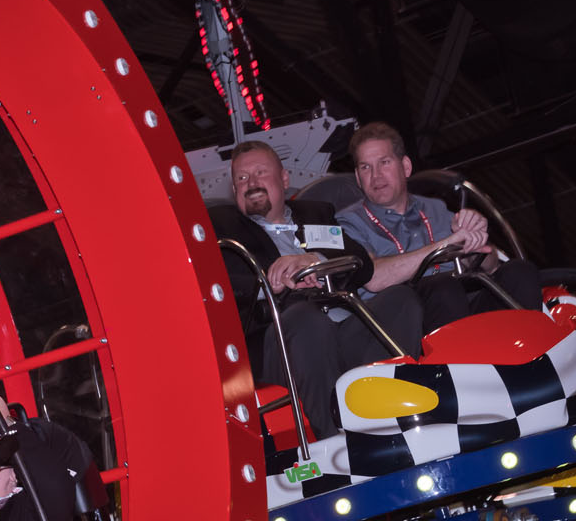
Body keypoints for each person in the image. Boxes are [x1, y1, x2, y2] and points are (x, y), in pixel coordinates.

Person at [209, 141, 423, 439]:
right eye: (242, 178)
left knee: (400, 300)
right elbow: (220, 284)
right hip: (282, 337)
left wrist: (316, 260)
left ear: (284, 179)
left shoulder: (316, 213)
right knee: (305, 320)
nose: (252, 184)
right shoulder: (222, 227)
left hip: (341, 323)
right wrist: (271, 281)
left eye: (260, 173)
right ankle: (335, 438)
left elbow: (362, 264)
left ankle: (393, 414)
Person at [335, 121, 543, 330]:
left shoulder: (436, 208)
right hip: (402, 320)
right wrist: (448, 243)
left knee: (520, 272)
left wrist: (475, 239)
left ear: (405, 167)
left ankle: (531, 353)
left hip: (460, 301)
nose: (376, 175)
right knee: (443, 287)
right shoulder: (348, 222)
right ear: (358, 179)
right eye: (365, 167)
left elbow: (489, 264)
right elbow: (373, 278)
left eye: (384, 162)